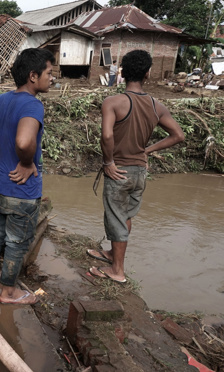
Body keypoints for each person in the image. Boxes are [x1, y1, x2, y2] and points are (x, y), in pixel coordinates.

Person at [87, 50, 185, 283]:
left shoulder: (113, 102)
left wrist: (108, 162)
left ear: (122, 72)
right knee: (126, 215)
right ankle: (113, 254)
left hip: (119, 170)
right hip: (140, 171)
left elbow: (107, 135)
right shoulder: (156, 105)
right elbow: (178, 135)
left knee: (116, 216)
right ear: (148, 73)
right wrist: (147, 150)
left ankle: (117, 270)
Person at [0, 48, 55, 305]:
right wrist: (28, 163)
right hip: (23, 189)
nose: (52, 78)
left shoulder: (3, 99)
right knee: (17, 243)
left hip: (0, 185)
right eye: (49, 73)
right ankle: (9, 293)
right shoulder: (32, 104)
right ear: (33, 76)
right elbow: (24, 140)